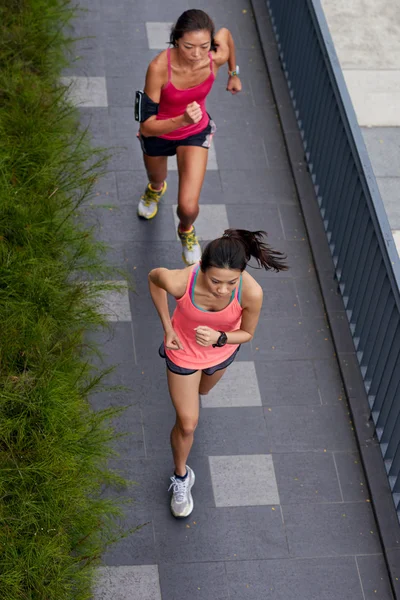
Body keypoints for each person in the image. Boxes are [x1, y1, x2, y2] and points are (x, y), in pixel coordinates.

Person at [148, 229, 288, 518]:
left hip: (219, 353)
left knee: (202, 392)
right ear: (201, 268)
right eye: (215, 281)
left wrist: (220, 337)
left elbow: (247, 333)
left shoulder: (251, 292)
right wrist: (168, 327)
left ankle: (192, 396)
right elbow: (153, 279)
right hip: (183, 352)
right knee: (188, 422)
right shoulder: (180, 282)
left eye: (230, 283)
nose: (222, 290)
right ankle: (182, 477)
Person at [137, 9, 242, 265]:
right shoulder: (159, 68)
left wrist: (233, 74)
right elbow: (147, 127)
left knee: (188, 207)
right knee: (157, 177)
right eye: (188, 46)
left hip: (194, 131)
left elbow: (226, 35)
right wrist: (181, 119)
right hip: (160, 133)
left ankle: (186, 230)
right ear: (176, 40)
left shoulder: (213, 57)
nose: (197, 54)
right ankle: (155, 189)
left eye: (204, 46)